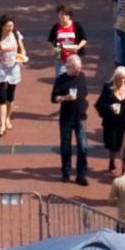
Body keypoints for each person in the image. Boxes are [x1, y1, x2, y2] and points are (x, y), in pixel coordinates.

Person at [53, 55, 95, 183]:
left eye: (80, 68)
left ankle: (81, 174)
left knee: (82, 146)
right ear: (69, 67)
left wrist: (85, 104)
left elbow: (85, 93)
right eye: (76, 68)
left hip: (81, 116)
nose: (78, 71)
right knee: (66, 146)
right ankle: (66, 172)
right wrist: (65, 98)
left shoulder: (81, 76)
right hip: (66, 117)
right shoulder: (61, 80)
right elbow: (54, 98)